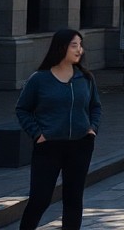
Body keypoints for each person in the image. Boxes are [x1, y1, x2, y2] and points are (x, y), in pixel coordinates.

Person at [15, 28, 101, 230]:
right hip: (48, 147)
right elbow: (22, 109)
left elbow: (95, 107)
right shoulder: (40, 79)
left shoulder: (86, 79)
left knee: (73, 199)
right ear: (61, 47)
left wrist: (92, 128)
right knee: (40, 199)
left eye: (81, 45)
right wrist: (37, 134)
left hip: (80, 145)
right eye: (74, 45)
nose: (79, 50)